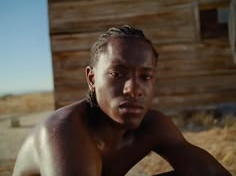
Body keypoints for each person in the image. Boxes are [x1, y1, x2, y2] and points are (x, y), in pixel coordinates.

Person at [13, 25, 232, 176]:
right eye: (117, 74)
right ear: (91, 78)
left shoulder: (152, 127)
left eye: (145, 77)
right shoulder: (63, 132)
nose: (134, 89)